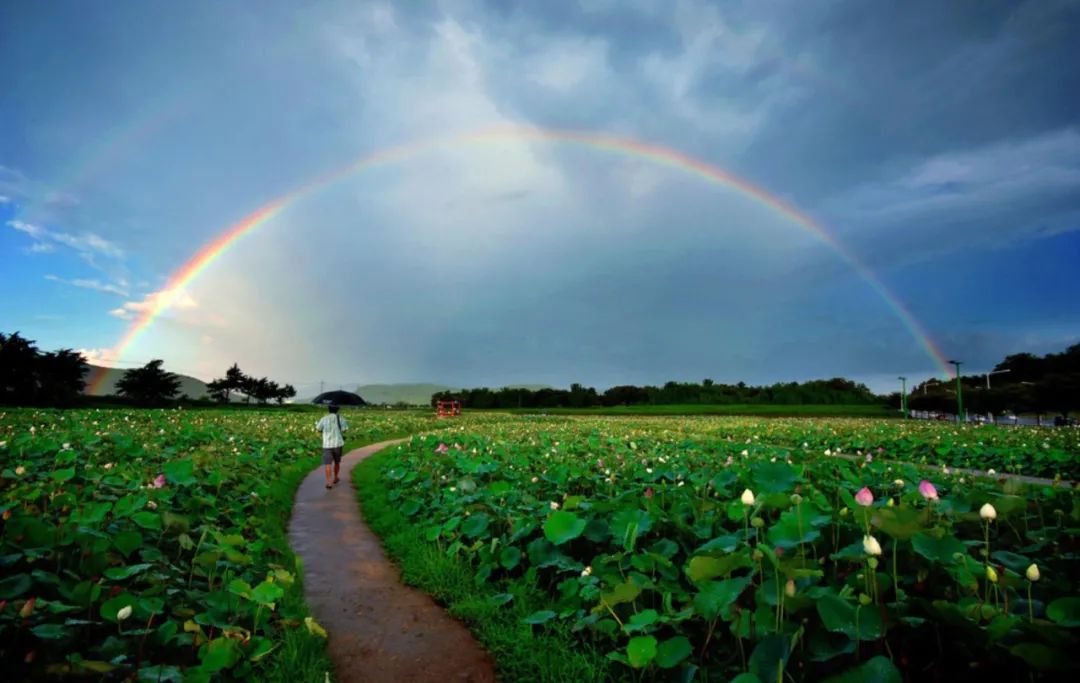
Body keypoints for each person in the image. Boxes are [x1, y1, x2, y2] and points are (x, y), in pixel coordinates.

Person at [315, 404, 348, 489]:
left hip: (327, 445)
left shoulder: (324, 418)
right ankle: (336, 477)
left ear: (328, 409)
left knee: (328, 464)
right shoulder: (341, 418)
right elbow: (345, 430)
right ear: (338, 409)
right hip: (338, 444)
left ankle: (329, 482)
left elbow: (318, 429)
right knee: (337, 462)